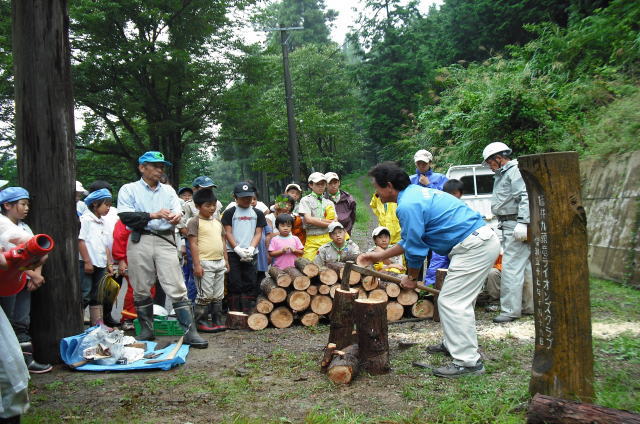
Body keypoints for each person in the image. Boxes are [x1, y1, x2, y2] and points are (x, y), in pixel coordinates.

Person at [359, 162, 499, 378]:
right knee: (460, 301)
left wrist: (411, 278)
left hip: (474, 247)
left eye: (377, 188)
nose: (376, 194)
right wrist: (378, 256)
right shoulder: (413, 194)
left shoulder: (407, 205)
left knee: (452, 302)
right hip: (477, 243)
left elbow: (416, 249)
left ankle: (468, 363)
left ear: (388, 186)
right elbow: (410, 239)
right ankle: (455, 345)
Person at [117, 151, 207, 348]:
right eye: (155, 165)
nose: (160, 169)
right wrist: (153, 215)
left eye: (162, 166)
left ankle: (189, 332)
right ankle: (146, 329)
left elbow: (178, 212)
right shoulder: (128, 189)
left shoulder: (168, 191)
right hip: (139, 238)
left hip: (165, 239)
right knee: (141, 286)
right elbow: (125, 216)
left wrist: (176, 217)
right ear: (142, 167)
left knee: (176, 285)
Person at [0, 187, 51, 374]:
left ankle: (25, 362)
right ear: (7, 205)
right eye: (22, 204)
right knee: (7, 321)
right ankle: (10, 367)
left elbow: (38, 251)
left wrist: (36, 272)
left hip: (21, 279)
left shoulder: (24, 227)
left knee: (22, 320)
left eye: (27, 204)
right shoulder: (2, 224)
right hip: (7, 283)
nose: (26, 208)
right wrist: (34, 273)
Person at [482, 142, 533, 323]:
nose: (489, 166)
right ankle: (528, 306)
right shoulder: (502, 174)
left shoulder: (514, 170)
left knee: (511, 266)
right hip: (510, 222)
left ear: (499, 157)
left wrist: (523, 222)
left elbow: (525, 195)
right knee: (525, 266)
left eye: (490, 162)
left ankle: (510, 310)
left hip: (516, 223)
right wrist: (495, 214)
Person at [187, 188, 229, 333]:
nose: (212, 208)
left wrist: (226, 260)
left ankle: (217, 319)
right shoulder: (194, 222)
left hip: (219, 261)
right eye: (207, 205)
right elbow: (193, 243)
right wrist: (197, 264)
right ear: (198, 206)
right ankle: (201, 320)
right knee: (205, 294)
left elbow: (223, 242)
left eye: (213, 205)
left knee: (218, 294)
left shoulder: (217, 222)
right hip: (205, 262)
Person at [221, 182, 267, 314]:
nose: (247, 200)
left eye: (249, 197)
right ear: (235, 197)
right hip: (233, 252)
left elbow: (258, 233)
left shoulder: (257, 213)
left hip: (250, 252)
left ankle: (248, 310)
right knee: (234, 281)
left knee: (250, 280)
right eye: (243, 197)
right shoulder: (230, 213)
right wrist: (237, 249)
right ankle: (235, 311)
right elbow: (228, 232)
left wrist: (251, 248)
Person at [78, 188, 113, 326]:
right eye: (106, 204)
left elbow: (105, 245)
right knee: (84, 294)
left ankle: (97, 324)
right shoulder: (85, 219)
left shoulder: (102, 221)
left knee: (98, 295)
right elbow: (80, 241)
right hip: (87, 263)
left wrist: (109, 263)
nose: (108, 208)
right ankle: (77, 323)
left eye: (110, 205)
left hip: (100, 263)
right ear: (95, 204)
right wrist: (87, 261)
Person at [423, 180, 464, 286]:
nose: (452, 196)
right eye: (449, 194)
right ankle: (430, 288)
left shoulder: (464, 208)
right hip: (442, 242)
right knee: (436, 266)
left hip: (459, 244)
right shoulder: (441, 207)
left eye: (455, 193)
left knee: (457, 269)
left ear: (461, 194)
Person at [299, 173, 336, 260]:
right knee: (307, 264)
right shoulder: (305, 200)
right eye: (317, 184)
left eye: (323, 184)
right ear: (311, 185)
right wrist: (328, 222)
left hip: (328, 237)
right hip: (312, 238)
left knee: (332, 263)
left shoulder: (329, 202)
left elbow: (335, 220)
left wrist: (316, 220)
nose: (321, 186)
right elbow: (308, 219)